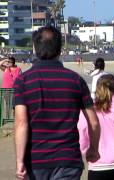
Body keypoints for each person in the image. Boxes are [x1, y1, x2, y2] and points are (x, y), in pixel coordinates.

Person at [13, 26, 101, 180]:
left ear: (35, 48)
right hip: (68, 159)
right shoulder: (75, 80)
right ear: (60, 49)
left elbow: (21, 122)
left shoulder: (23, 81)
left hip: (36, 161)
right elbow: (93, 122)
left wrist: (20, 160)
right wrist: (93, 149)